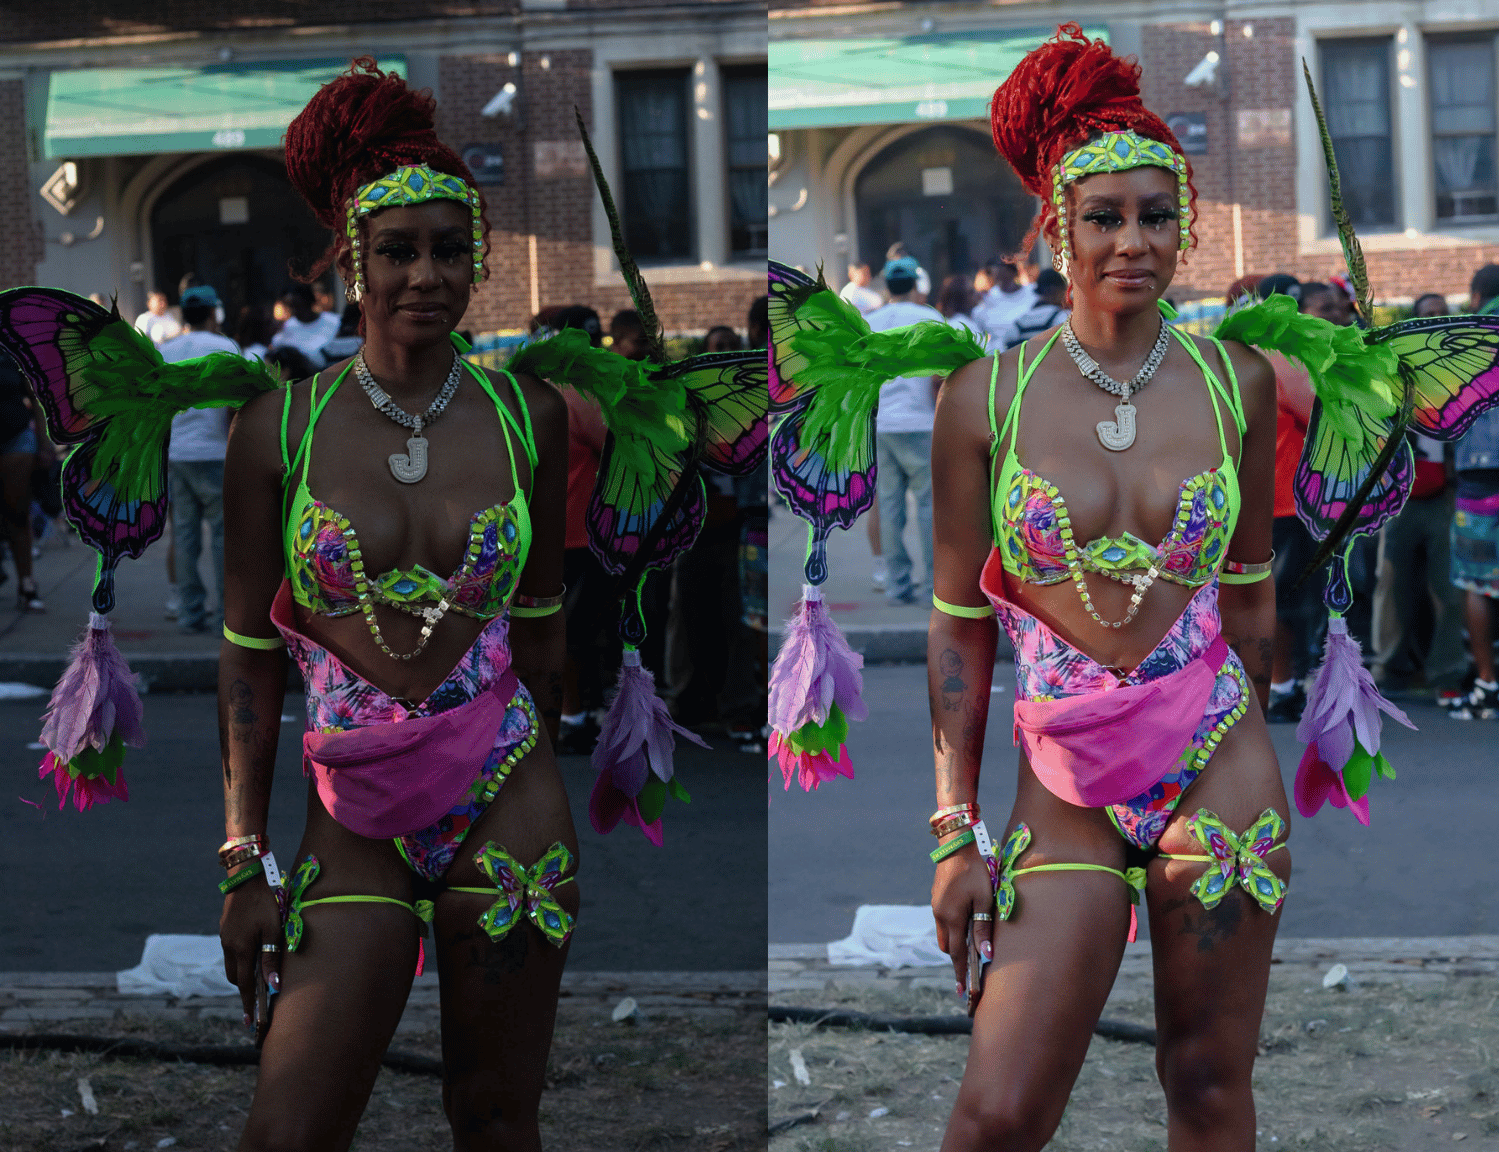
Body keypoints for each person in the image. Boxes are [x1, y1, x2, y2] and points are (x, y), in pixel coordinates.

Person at [927, 27, 1285, 1147]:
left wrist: (1228, 726)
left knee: (1208, 1086)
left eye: (1155, 215)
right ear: (1054, 229)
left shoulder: (1238, 382)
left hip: (1215, 769)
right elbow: (956, 633)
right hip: (1061, 777)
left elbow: (1252, 605)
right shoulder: (982, 398)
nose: (1132, 241)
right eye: (1103, 217)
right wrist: (952, 831)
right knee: (997, 1111)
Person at [217, 59, 575, 1148]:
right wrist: (243, 858)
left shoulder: (530, 417)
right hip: (351, 817)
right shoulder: (278, 428)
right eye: (398, 251)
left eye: (449, 249)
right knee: (291, 1126)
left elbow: (547, 629)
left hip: (507, 807)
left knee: (494, 1113)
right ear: (350, 265)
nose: (426, 274)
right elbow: (245, 656)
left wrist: (525, 758)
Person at [1250, 274, 1321, 723]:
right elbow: (1317, 412)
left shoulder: (1235, 354)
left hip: (1260, 499)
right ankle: (1282, 687)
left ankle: (1280, 686)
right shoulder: (1280, 357)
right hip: (1284, 500)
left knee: (1267, 597)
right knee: (1280, 601)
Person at [159, 285, 240, 634]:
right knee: (224, 538)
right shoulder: (225, 347)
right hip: (217, 453)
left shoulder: (166, 350)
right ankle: (227, 613)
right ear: (212, 313)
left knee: (185, 536)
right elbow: (239, 405)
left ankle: (190, 613)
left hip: (178, 454)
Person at [866, 255, 943, 604]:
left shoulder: (871, 321)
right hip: (923, 422)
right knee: (929, 507)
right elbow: (943, 373)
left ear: (886, 287)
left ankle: (898, 586)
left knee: (889, 505)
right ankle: (932, 586)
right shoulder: (930, 319)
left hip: (883, 425)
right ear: (915, 285)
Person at [1447, 263, 1499, 718]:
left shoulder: (1470, 334)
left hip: (1481, 476)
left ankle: (1487, 685)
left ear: (1478, 296)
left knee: (1478, 584)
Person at [0, 350, 48, 610]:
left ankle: (27, 582)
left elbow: (36, 397)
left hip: (15, 436)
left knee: (17, 512)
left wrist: (44, 442)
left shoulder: (12, 353)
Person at [992, 267, 1069, 351]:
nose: (1066, 297)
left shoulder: (1020, 321)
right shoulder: (1061, 317)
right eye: (1064, 291)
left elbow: (1003, 346)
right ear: (1055, 290)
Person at [270, 283, 340, 369]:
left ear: (310, 301)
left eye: (299, 305)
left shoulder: (335, 321)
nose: (295, 310)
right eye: (290, 306)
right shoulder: (286, 327)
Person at [971, 258, 1037, 343]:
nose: (999, 271)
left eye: (1003, 268)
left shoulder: (1033, 291)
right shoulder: (988, 298)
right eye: (996, 268)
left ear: (1013, 272)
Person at [934, 275, 984, 341]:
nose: (977, 294)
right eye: (971, 292)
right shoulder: (962, 325)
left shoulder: (949, 323)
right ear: (961, 297)